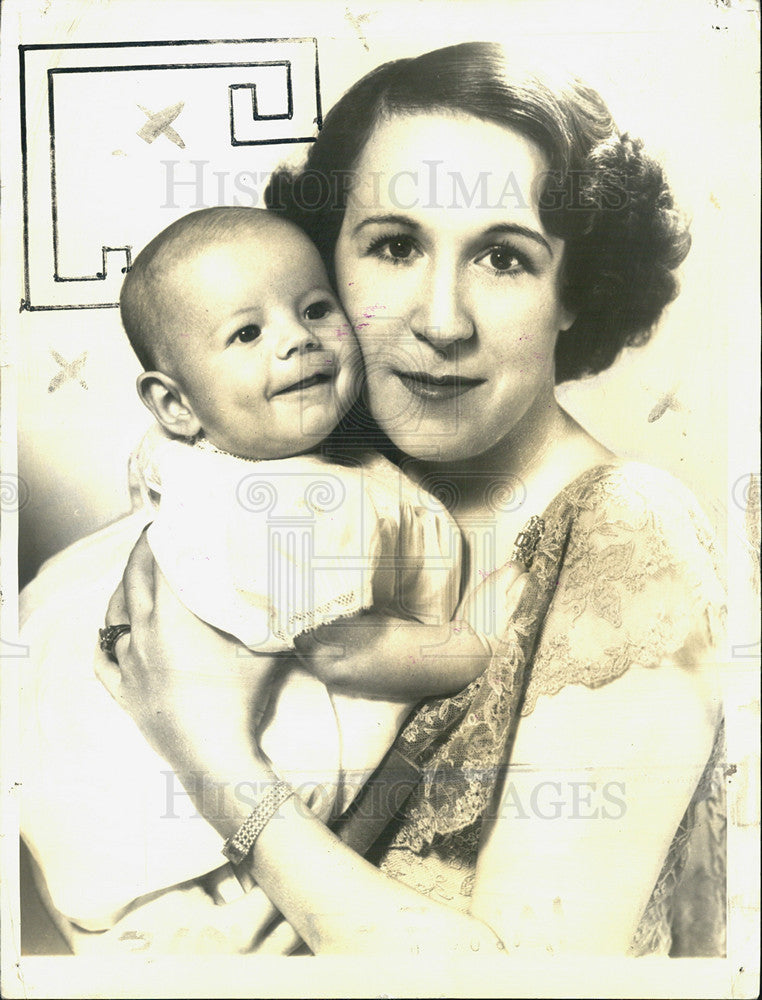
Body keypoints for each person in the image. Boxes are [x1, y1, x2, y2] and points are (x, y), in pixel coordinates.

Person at [36, 40, 727, 956]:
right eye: (394, 247)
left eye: (506, 259)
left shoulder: (630, 539)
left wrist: (214, 764)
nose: (441, 321)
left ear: (575, 290)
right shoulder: (295, 466)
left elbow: (537, 982)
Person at [21, 206, 508, 935]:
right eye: (248, 333)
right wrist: (468, 653)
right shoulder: (298, 500)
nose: (297, 339)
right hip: (214, 811)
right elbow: (343, 650)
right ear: (175, 403)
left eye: (315, 308)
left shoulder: (196, 455)